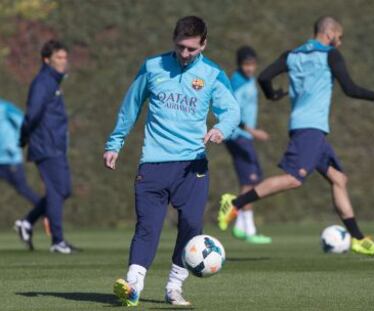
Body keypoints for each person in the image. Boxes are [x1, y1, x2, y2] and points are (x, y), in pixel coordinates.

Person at [218, 16, 374, 256]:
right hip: (310, 129)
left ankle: (358, 238)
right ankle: (235, 203)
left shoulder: (291, 55)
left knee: (338, 179)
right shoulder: (330, 55)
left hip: (304, 127)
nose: (340, 43)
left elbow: (263, 77)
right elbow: (350, 88)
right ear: (330, 33)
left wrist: (271, 95)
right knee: (293, 179)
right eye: (340, 37)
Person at [103, 16, 240, 307]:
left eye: (191, 48)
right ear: (174, 41)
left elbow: (232, 111)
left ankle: (174, 287)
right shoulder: (153, 67)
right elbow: (131, 106)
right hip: (153, 163)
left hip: (192, 167)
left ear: (204, 43)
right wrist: (115, 143)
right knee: (147, 227)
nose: (185, 54)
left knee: (191, 226)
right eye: (180, 47)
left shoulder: (213, 74)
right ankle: (133, 286)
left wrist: (220, 129)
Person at [17, 39, 78, 254]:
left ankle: (27, 222)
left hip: (54, 145)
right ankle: (57, 241)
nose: (64, 62)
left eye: (65, 57)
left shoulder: (53, 82)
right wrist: (23, 138)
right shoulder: (43, 82)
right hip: (45, 145)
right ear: (46, 60)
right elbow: (32, 114)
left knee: (63, 190)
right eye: (59, 58)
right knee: (56, 191)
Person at [224, 46, 272, 244]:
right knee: (250, 179)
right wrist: (253, 131)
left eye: (252, 64)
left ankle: (242, 227)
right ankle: (247, 228)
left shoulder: (251, 79)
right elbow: (231, 114)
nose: (250, 68)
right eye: (246, 64)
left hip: (245, 137)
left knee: (250, 181)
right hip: (238, 136)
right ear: (239, 64)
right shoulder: (236, 82)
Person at [0, 98, 43, 250]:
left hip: (9, 159)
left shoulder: (5, 107)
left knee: (24, 190)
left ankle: (44, 214)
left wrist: (13, 145)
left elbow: (23, 123)